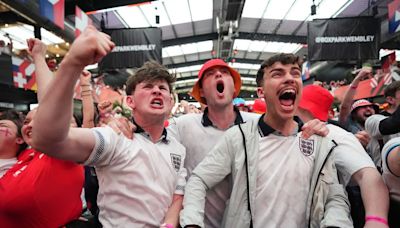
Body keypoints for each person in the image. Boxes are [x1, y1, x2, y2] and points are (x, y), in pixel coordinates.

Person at [31, 26, 186, 227]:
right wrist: (72, 63)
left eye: (162, 88)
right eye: (148, 87)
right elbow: (48, 140)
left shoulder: (178, 148)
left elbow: (177, 195)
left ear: (170, 102)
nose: (157, 91)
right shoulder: (115, 138)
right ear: (130, 102)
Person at [180, 53, 352, 228]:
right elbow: (199, 179)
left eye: (295, 73)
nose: (289, 79)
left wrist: (335, 223)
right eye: (277, 74)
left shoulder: (319, 141)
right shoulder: (239, 137)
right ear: (261, 91)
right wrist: (192, 223)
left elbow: (334, 195)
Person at [297, 85, 389, 228]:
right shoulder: (290, 132)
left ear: (301, 106)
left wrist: (376, 220)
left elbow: (368, 175)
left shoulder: (332, 133)